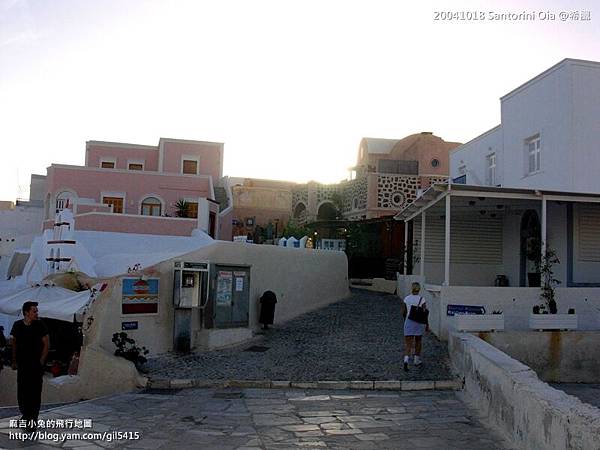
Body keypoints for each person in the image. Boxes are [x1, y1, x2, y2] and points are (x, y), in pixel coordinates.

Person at [10, 301, 49, 432]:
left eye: (36, 311)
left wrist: (41, 361)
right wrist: (14, 360)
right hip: (23, 365)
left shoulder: (40, 325)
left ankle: (33, 418)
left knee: (35, 392)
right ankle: (25, 416)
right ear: (26, 312)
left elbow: (46, 344)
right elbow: (14, 343)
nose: (36, 313)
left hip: (35, 365)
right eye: (34, 311)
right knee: (22, 391)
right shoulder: (17, 325)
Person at [401, 282, 428, 372]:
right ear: (419, 289)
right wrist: (427, 325)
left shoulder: (406, 298)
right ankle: (416, 359)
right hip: (419, 322)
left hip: (409, 321)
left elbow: (404, 312)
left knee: (408, 343)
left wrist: (405, 321)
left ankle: (406, 360)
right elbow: (424, 313)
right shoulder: (422, 299)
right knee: (418, 341)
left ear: (411, 288)